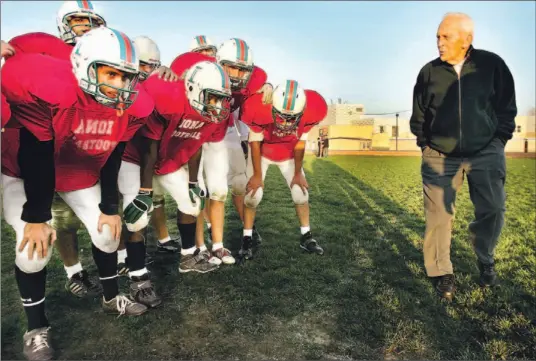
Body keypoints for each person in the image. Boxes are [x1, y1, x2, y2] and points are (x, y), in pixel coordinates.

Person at [2, 27, 154, 360]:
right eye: (111, 73)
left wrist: (110, 206)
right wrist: (37, 217)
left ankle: (112, 297)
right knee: (33, 250)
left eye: (126, 76)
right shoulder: (50, 86)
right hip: (22, 172)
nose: (120, 84)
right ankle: (36, 328)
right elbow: (35, 151)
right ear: (85, 65)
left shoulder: (131, 106)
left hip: (75, 172)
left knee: (107, 233)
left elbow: (112, 152)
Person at [409, 12, 517, 300]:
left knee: (493, 209)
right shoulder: (428, 72)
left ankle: (485, 257)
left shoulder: (491, 65)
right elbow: (419, 114)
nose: (439, 43)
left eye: (446, 37)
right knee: (438, 216)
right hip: (439, 155)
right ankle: (441, 271)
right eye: (437, 37)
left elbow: (506, 107)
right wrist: (425, 145)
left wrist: (499, 140)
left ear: (467, 39)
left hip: (485, 151)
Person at [120, 60, 233, 274]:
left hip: (167, 158)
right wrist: (145, 191)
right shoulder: (168, 97)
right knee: (138, 216)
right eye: (213, 98)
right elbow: (149, 145)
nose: (217, 106)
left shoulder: (211, 115)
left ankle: (188, 256)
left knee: (192, 203)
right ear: (192, 88)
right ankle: (137, 275)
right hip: (135, 156)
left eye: (222, 100)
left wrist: (192, 182)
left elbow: (196, 144)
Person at [239, 80, 328, 261]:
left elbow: (300, 144)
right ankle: (247, 238)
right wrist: (257, 175)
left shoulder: (311, 112)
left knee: (300, 194)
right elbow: (255, 143)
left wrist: (297, 173)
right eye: (281, 116)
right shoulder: (260, 107)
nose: (286, 122)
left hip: (287, 154)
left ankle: (306, 236)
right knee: (252, 195)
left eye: (291, 118)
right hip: (262, 154)